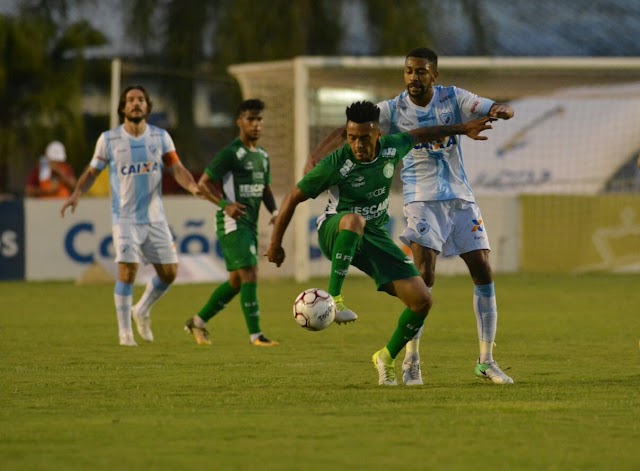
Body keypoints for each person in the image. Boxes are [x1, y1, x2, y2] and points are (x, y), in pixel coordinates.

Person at [266, 101, 494, 385]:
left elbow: (424, 133)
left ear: (378, 135)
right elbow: (292, 197)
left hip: (373, 236)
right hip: (335, 230)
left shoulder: (392, 147)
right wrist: (276, 244)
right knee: (354, 220)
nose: (357, 144)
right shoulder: (336, 164)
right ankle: (334, 299)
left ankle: (385, 357)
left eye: (364, 137)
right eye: (351, 138)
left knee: (422, 300)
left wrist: (462, 128)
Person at [376, 47, 515, 384]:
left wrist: (499, 109)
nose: (414, 77)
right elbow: (356, 127)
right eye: (409, 71)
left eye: (421, 72)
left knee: (483, 269)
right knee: (424, 275)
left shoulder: (453, 97)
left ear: (434, 75)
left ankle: (486, 361)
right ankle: (411, 359)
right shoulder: (392, 109)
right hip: (421, 200)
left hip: (460, 197)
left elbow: (486, 105)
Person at [60, 85, 204, 346]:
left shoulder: (160, 137)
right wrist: (76, 193)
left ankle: (142, 309)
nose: (135, 104)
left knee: (170, 273)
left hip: (155, 218)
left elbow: (178, 168)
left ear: (147, 106)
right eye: (130, 100)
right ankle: (125, 333)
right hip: (124, 219)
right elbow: (92, 172)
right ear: (123, 108)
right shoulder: (109, 139)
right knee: (127, 271)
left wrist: (193, 186)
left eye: (140, 100)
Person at [184, 99, 279, 347]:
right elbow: (203, 184)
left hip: (250, 223)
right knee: (250, 273)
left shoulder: (262, 156)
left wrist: (276, 211)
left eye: (259, 119)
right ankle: (256, 335)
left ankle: (197, 321)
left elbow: (265, 188)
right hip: (231, 222)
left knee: (237, 281)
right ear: (239, 122)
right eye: (250, 119)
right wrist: (225, 205)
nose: (256, 124)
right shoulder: (230, 153)